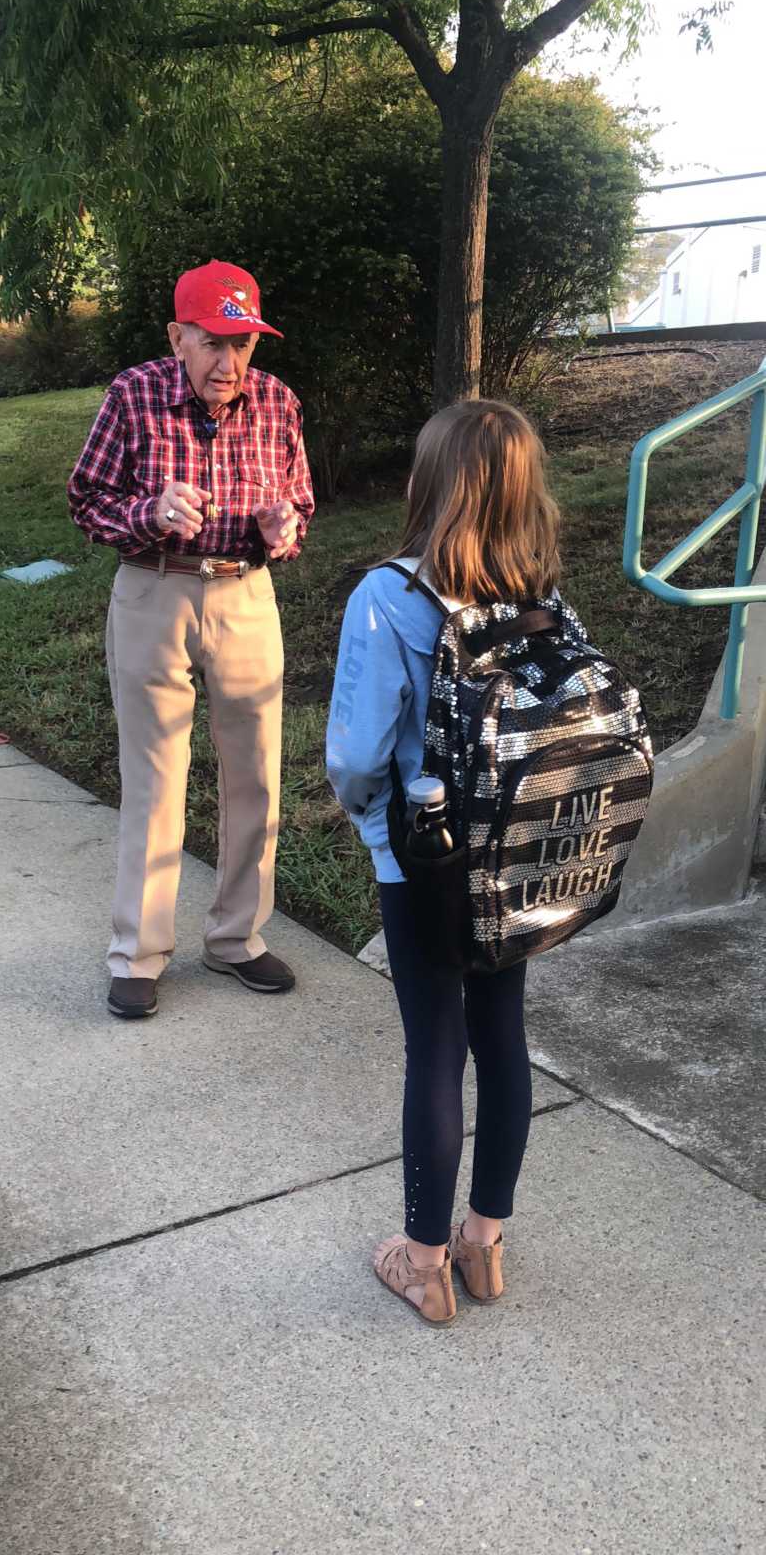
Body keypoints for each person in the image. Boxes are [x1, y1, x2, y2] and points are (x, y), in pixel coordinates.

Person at [327, 400, 562, 1325]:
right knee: (500, 1038)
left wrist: (371, 822)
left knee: (434, 1044)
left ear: (431, 483)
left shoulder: (390, 594)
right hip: (514, 857)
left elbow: (353, 755)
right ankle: (483, 1244)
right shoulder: (540, 593)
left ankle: (421, 1263)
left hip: (423, 858)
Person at [68, 259, 315, 1020]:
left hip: (245, 593)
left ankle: (237, 939)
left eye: (243, 344)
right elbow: (87, 500)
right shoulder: (134, 395)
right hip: (154, 590)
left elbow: (298, 497)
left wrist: (285, 527)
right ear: (177, 336)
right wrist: (150, 510)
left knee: (257, 775)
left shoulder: (276, 401)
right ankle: (138, 953)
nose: (229, 363)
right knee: (154, 780)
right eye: (213, 342)